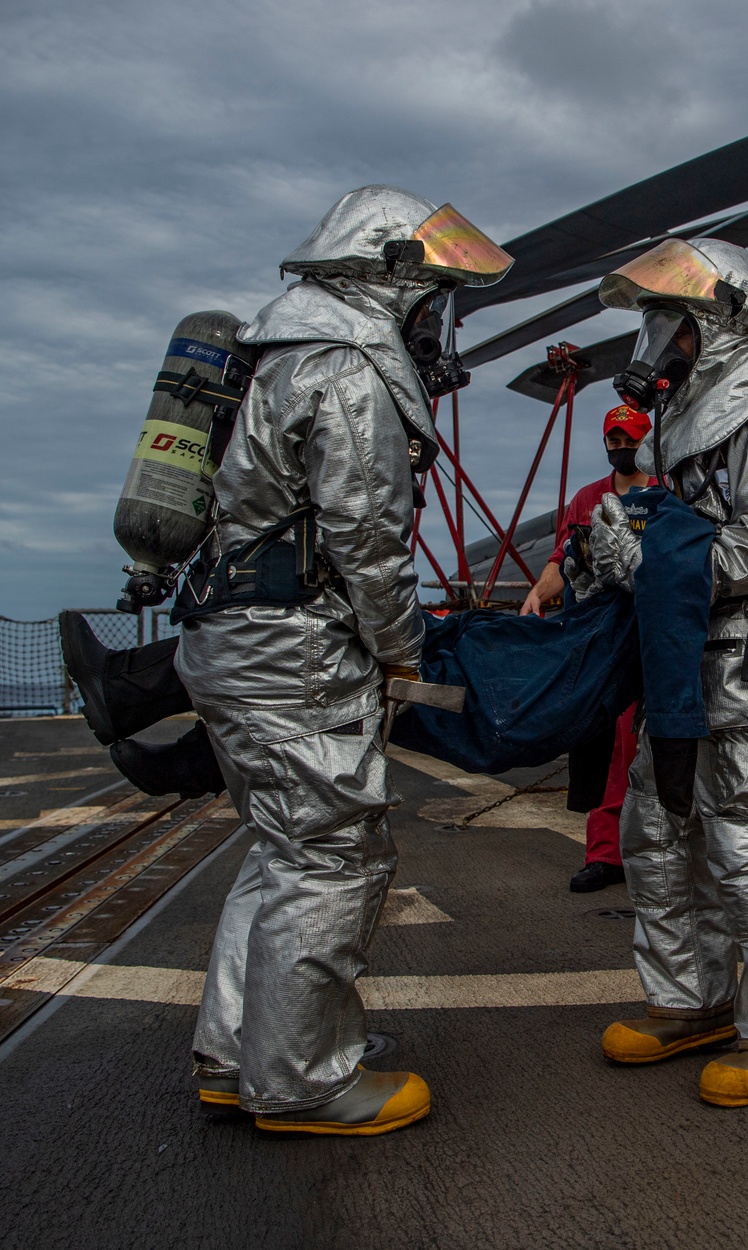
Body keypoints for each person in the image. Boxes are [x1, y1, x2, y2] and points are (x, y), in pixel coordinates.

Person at [163, 185, 512, 1135]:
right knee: (333, 860)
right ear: (387, 277)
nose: (436, 318)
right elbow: (368, 539)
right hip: (298, 651)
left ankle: (239, 1052)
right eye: (431, 293)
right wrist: (406, 651)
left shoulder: (273, 355)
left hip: (232, 637)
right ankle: (304, 1077)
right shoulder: (350, 369)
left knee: (283, 848)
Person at [589, 236, 748, 1107]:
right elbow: (674, 532)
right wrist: (626, 543)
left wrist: (645, 562)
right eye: (653, 323)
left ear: (722, 321)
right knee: (655, 834)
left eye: (673, 322)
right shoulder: (677, 423)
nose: (658, 341)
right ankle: (691, 1001)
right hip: (680, 659)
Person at [519, 405, 650, 893]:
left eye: (628, 439)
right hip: (601, 641)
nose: (620, 448)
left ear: (645, 439)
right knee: (605, 747)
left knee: (649, 747)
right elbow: (562, 557)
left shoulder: (662, 491)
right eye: (613, 440)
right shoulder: (587, 499)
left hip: (651, 635)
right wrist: (538, 593)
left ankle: (660, 851)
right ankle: (605, 854)